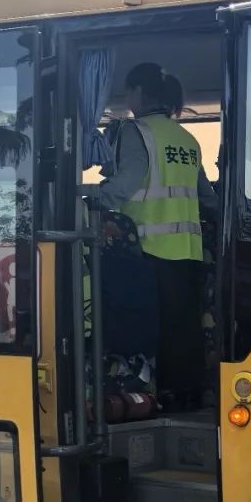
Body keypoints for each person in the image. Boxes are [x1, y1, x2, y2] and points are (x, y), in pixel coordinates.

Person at [84, 62, 217, 410]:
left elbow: (128, 182)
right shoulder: (187, 139)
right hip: (187, 250)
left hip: (147, 248)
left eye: (128, 91)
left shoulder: (136, 132)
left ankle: (149, 398)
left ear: (138, 92)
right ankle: (185, 395)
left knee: (145, 331)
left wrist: (93, 199)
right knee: (183, 328)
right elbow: (206, 195)